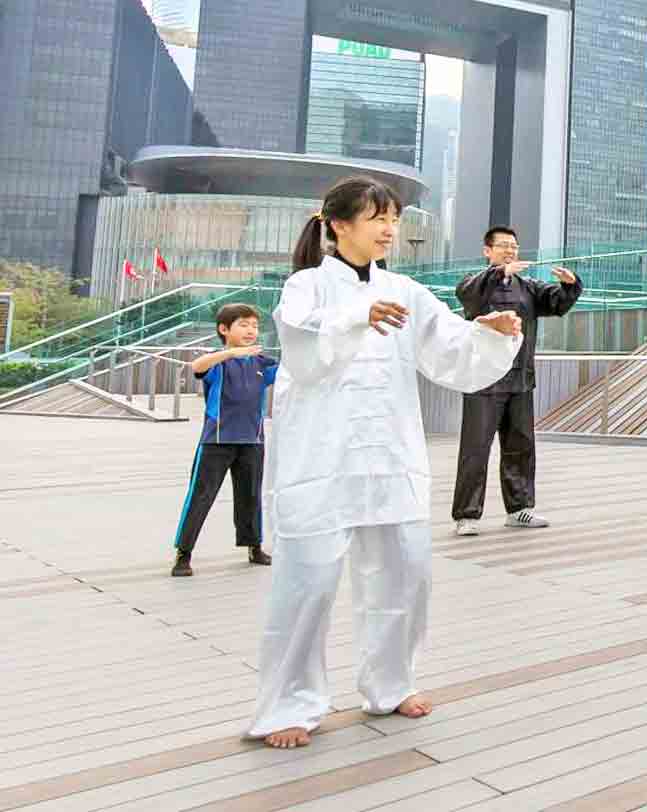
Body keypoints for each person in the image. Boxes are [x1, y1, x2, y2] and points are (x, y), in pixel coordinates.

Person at [249, 176, 522, 749]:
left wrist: (489, 333)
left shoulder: (407, 289)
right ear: (338, 224)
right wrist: (355, 318)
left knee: (404, 570)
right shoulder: (306, 287)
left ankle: (390, 682)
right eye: (376, 218)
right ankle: (289, 704)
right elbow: (301, 353)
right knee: (309, 579)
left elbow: (448, 350)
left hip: (390, 453)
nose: (389, 229)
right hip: (321, 456)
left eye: (393, 218)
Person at [450, 227, 583, 536]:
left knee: (520, 445)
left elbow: (556, 302)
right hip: (483, 380)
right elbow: (466, 295)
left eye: (514, 246)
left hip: (520, 378)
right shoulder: (477, 285)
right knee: (475, 447)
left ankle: (519, 509)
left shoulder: (529, 287)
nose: (510, 250)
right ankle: (466, 515)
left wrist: (569, 284)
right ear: (488, 251)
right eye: (503, 246)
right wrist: (499, 273)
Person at [170, 303, 280, 577]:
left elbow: (292, 371)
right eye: (243, 324)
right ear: (224, 329)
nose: (251, 330)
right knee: (201, 496)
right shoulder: (218, 362)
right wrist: (230, 353)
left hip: (252, 441)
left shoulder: (261, 363)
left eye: (255, 325)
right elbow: (196, 366)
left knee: (251, 496)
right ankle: (184, 554)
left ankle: (254, 546)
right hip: (216, 442)